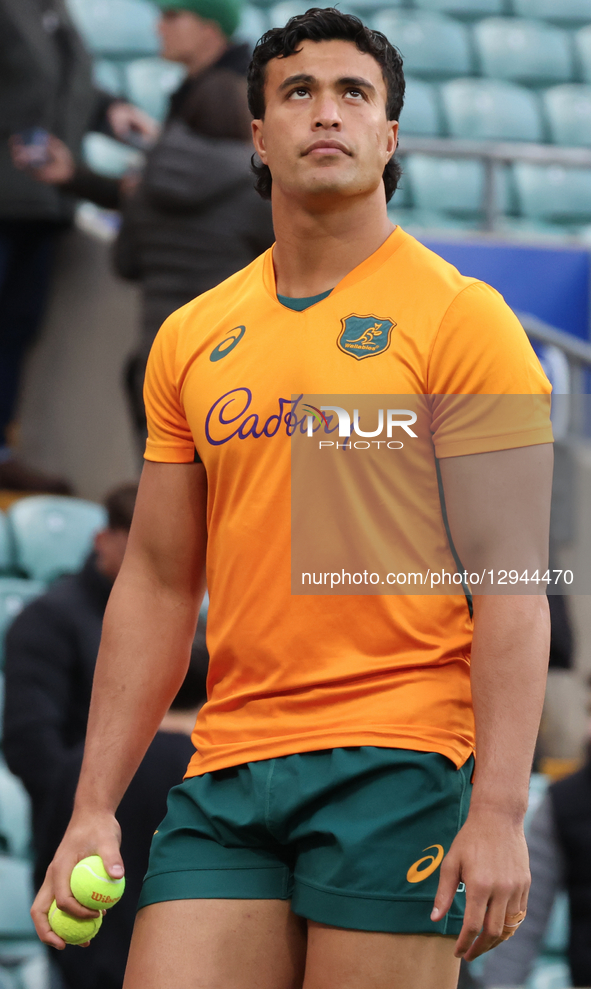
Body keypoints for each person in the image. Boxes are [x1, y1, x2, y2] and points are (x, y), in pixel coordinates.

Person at [30, 9, 554, 989]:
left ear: (388, 136)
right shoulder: (192, 335)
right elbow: (156, 580)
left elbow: (513, 585)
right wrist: (93, 804)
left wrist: (497, 807)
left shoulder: (463, 318)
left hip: (401, 758)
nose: (326, 112)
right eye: (298, 92)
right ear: (258, 135)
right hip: (230, 763)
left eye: (354, 92)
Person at [19, 0, 275, 447]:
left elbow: (139, 229)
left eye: (173, 16)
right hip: (237, 355)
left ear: (210, 28)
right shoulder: (241, 159)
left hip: (164, 349)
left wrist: (87, 181)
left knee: (166, 468)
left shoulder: (246, 96)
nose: (158, 27)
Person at [3, 481, 208, 988]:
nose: (161, 549)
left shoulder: (185, 617)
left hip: (169, 809)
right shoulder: (48, 618)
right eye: (139, 538)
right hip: (92, 819)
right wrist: (92, 806)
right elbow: (30, 742)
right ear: (103, 540)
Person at [1, 0, 157, 493]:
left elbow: (62, 86)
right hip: (6, 197)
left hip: (42, 204)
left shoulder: (53, 12)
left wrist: (109, 109)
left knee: (17, 327)